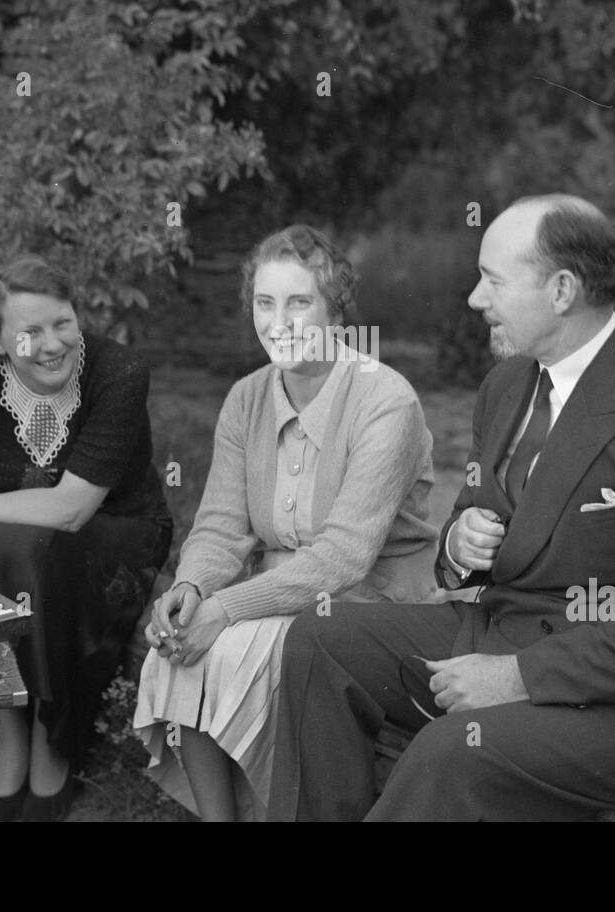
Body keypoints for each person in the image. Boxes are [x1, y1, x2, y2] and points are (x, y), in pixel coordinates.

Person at [266, 194, 615, 821]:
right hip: (501, 629)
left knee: (451, 751)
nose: (474, 298)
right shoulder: (509, 383)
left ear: (563, 290)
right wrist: (458, 545)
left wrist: (518, 677)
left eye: (492, 280)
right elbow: (474, 513)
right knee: (318, 640)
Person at [132, 225, 438, 821]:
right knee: (175, 646)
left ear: (335, 310)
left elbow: (345, 558)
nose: (281, 321)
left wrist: (226, 609)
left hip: (363, 605)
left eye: (300, 302)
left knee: (224, 648)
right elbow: (220, 526)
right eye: (264, 303)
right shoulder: (246, 398)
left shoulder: (385, 402)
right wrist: (193, 590)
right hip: (272, 595)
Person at [0, 256, 172, 821]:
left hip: (115, 530)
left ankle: (52, 747)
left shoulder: (117, 373)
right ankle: (7, 732)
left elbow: (72, 509)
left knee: (34, 551)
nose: (52, 344)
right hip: (19, 542)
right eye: (29, 332)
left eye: (63, 323)